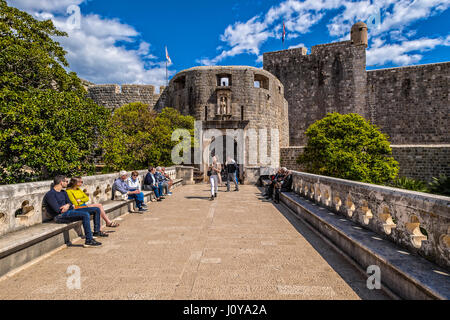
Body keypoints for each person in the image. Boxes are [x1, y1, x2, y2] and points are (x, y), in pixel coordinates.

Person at [43, 175, 104, 248]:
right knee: (85, 214)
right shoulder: (50, 194)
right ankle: (89, 240)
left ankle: (97, 232)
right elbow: (57, 210)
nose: (67, 183)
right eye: (66, 181)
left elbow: (71, 203)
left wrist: (67, 205)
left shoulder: (63, 192)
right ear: (61, 182)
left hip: (69, 211)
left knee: (96, 209)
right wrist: (68, 206)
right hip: (59, 216)